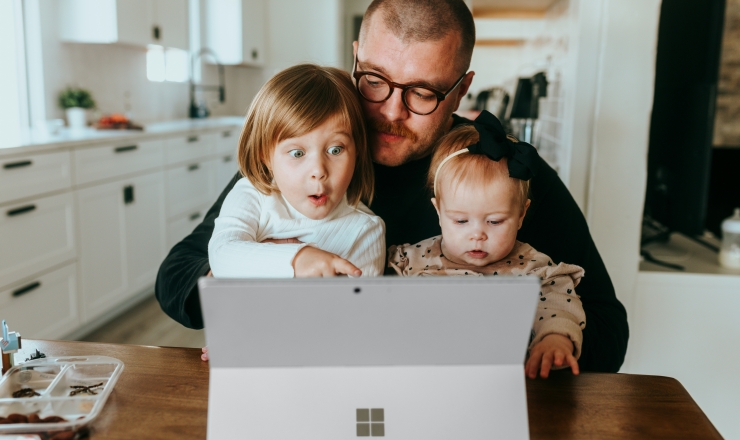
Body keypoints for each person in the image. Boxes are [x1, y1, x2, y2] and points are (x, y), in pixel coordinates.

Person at [156, 0, 629, 372]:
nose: (391, 112)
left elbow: (608, 323)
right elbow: (178, 273)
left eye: (422, 92)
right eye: (375, 82)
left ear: (461, 90)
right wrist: (256, 286)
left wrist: (534, 342)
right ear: (356, 58)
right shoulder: (307, 157)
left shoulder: (501, 171)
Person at [388, 112, 586, 379]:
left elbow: (557, 308)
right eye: (460, 220)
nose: (477, 235)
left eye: (494, 221)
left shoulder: (534, 271)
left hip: (501, 386)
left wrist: (555, 340)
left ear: (521, 215)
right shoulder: (408, 261)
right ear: (438, 211)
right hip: (423, 383)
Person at [208, 64, 385, 280]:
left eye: (335, 150)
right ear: (266, 156)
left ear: (357, 152)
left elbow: (358, 310)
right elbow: (221, 255)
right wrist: (297, 259)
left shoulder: (365, 231)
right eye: (297, 154)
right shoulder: (252, 196)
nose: (318, 171)